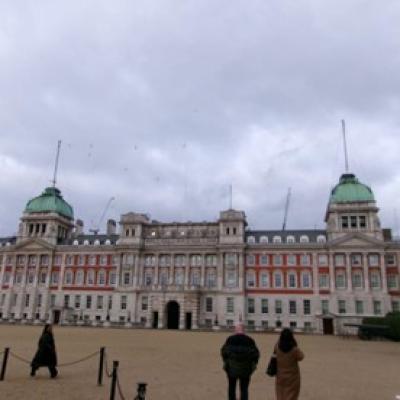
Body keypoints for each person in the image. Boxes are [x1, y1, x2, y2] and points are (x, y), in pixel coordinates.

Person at [221, 323, 260, 400]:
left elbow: (223, 352)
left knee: (231, 387)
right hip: (246, 369)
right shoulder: (250, 340)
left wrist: (227, 362)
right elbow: (256, 355)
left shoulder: (230, 339)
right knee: (244, 389)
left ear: (236, 330)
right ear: (244, 331)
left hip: (232, 369)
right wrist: (252, 366)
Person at [274, 328, 304, 400]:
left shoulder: (277, 347)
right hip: (292, 376)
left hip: (280, 375)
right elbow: (301, 357)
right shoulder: (294, 349)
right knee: (291, 394)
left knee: (281, 393)